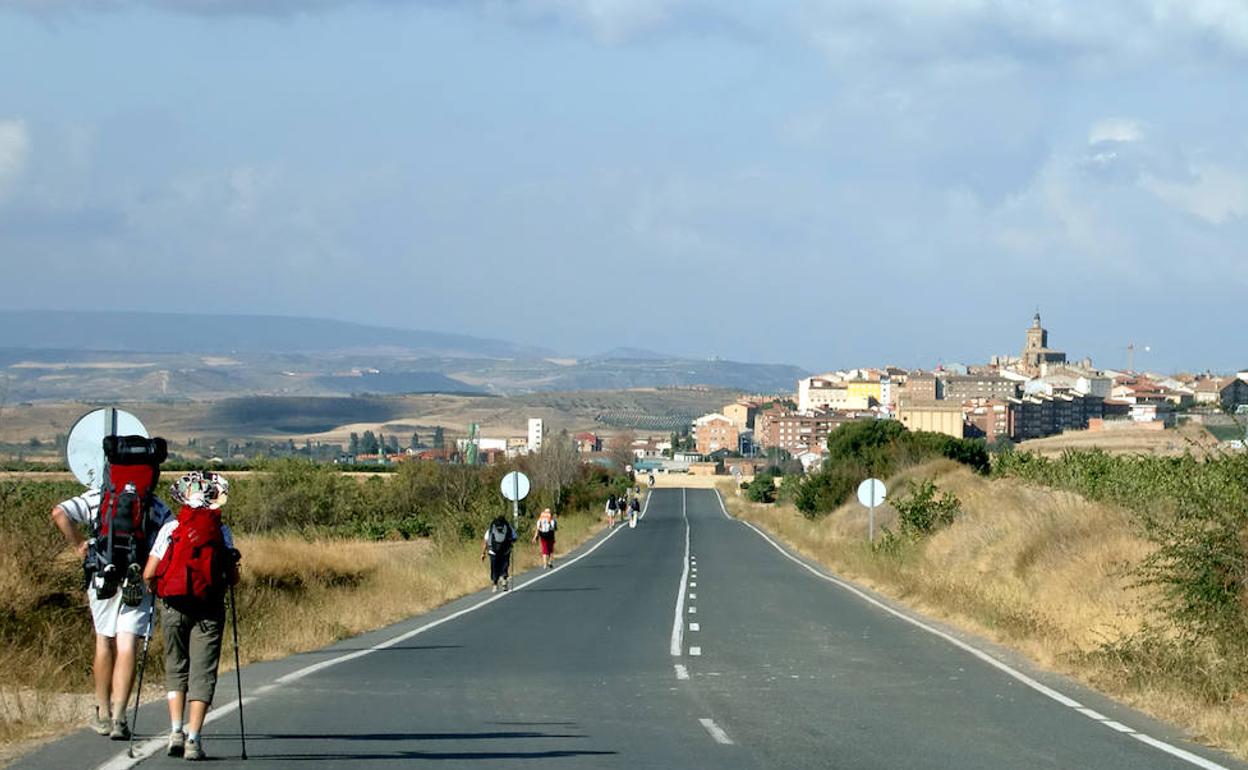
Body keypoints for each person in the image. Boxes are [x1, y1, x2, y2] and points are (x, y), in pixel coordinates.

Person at [51, 483, 172, 740]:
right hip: (138, 578)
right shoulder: (153, 502)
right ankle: (120, 718)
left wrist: (79, 544)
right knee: (127, 644)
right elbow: (172, 534)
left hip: (101, 575)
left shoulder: (99, 496)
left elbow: (59, 513)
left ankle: (103, 714)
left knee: (103, 640)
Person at [144, 471, 239, 761]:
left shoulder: (171, 528)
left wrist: (158, 590)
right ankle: (194, 739)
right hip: (209, 608)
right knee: (203, 673)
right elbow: (233, 579)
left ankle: (175, 731)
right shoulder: (221, 532)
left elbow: (149, 573)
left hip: (173, 607)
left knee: (176, 667)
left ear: (184, 497)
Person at [481, 515, 517, 592]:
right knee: (504, 565)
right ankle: (504, 581)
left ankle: (495, 585)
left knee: (494, 567)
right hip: (505, 551)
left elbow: (485, 541)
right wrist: (510, 543)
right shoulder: (508, 527)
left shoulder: (491, 528)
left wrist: (483, 553)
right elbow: (514, 538)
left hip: (493, 551)